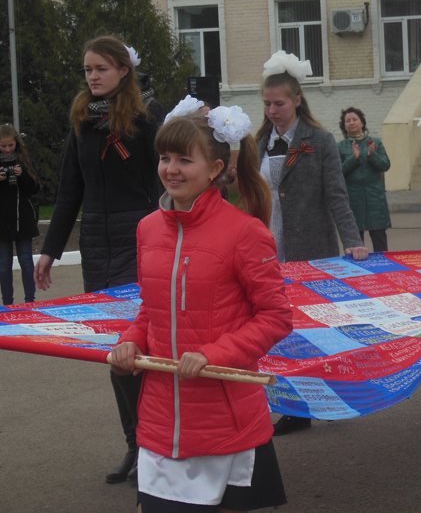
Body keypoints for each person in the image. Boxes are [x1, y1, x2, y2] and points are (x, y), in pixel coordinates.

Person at [109, 107, 292, 512]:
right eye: (164, 158)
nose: (171, 169)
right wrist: (131, 342)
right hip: (159, 420)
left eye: (184, 160)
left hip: (225, 424)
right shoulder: (148, 228)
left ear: (215, 169)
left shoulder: (246, 233)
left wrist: (214, 354)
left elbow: (276, 317)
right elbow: (151, 309)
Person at [34, 36, 161, 484]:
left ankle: (157, 446)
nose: (92, 76)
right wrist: (49, 251)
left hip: (140, 239)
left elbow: (170, 179)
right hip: (96, 243)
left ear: (123, 70)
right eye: (87, 69)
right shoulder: (82, 121)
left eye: (101, 68)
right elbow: (71, 189)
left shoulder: (146, 121)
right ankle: (135, 444)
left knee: (139, 347)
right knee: (114, 351)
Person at [256, 50, 367, 434]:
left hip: (310, 244)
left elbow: (337, 194)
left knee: (310, 326)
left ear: (298, 100)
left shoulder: (319, 140)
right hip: (267, 244)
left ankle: (317, 398)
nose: (272, 110)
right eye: (267, 104)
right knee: (275, 326)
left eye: (279, 103)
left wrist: (352, 240)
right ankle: (291, 402)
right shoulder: (257, 141)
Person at [337, 107, 391, 252]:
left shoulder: (375, 143)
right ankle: (358, 272)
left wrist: (372, 155)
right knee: (356, 241)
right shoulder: (340, 147)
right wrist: (353, 158)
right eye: (347, 121)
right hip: (353, 197)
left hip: (375, 196)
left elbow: (385, 165)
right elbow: (337, 172)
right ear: (344, 126)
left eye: (355, 119)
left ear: (362, 123)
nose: (351, 123)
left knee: (379, 237)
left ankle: (385, 269)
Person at [0, 124, 39, 306]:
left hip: (22, 221)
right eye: (3, 146)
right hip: (2, 224)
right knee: (3, 266)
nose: (8, 150)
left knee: (26, 261)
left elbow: (35, 188)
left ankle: (30, 301)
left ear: (16, 143)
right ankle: (8, 303)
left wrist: (22, 175)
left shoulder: (23, 160)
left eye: (10, 145)